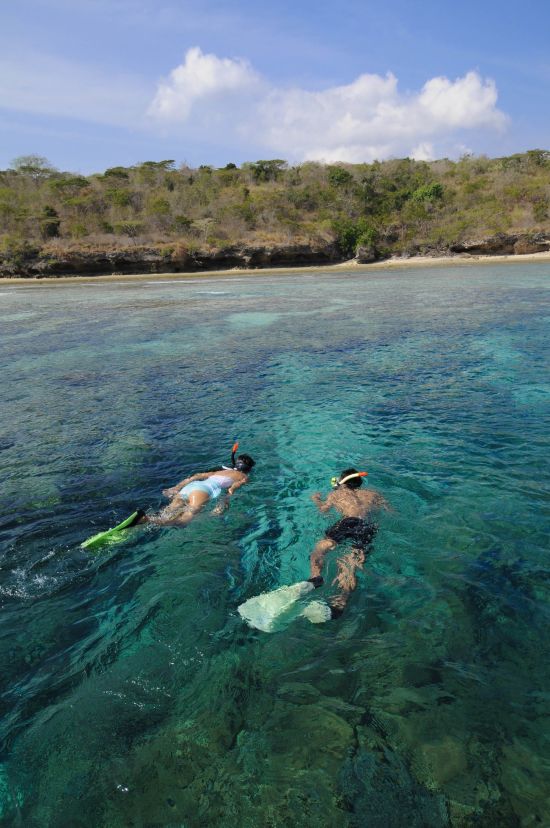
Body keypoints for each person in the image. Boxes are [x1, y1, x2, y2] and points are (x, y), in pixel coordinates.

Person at [309, 468, 390, 618]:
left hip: (347, 522)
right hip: (366, 526)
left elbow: (323, 510)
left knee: (321, 548)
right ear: (360, 482)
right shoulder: (373, 494)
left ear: (342, 482)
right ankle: (341, 602)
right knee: (350, 565)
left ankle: (316, 577)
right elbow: (389, 511)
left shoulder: (336, 494)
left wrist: (316, 499)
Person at [142, 444, 255, 527]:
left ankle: (149, 519)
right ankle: (145, 520)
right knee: (183, 521)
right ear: (248, 469)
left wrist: (176, 488)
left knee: (167, 512)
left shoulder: (220, 471)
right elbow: (231, 490)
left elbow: (197, 475)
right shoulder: (243, 477)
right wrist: (223, 504)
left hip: (191, 486)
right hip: (203, 491)